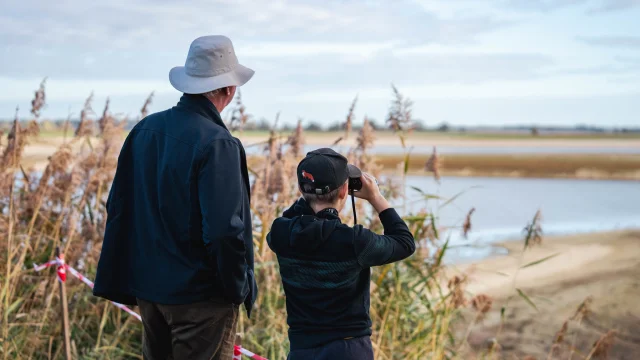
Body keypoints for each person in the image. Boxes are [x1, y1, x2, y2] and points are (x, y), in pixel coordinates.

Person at [93, 35, 257, 360]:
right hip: (201, 302)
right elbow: (224, 232)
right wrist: (237, 289)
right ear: (229, 89)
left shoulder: (143, 131)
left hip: (151, 294)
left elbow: (119, 208)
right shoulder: (218, 143)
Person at [267, 148, 416, 360]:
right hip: (348, 350)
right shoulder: (354, 242)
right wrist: (375, 197)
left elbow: (291, 217)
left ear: (301, 189)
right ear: (344, 190)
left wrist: (310, 195)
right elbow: (405, 243)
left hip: (301, 350)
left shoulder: (280, 234)